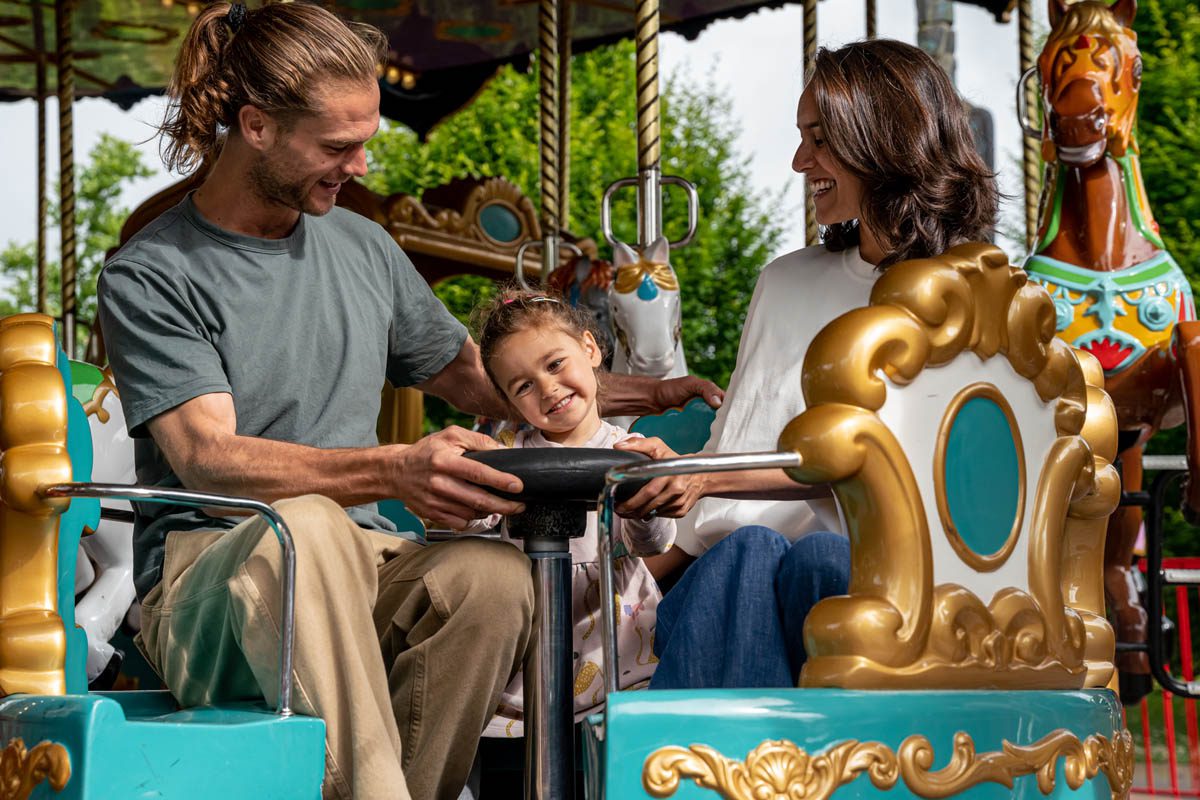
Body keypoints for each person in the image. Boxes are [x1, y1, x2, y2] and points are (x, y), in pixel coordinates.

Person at [95, 4, 718, 799]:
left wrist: (634, 407)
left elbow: (480, 378)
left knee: (493, 580)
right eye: (336, 146)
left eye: (366, 141)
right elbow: (208, 456)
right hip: (210, 582)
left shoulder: (362, 246)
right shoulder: (152, 273)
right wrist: (395, 469)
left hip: (361, 554)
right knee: (308, 523)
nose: (359, 165)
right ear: (255, 125)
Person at [615, 38, 999, 689]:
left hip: (883, 577)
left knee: (811, 558)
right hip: (727, 573)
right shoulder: (785, 281)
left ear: (882, 138)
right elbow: (730, 447)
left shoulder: (964, 295)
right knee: (750, 553)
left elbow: (904, 470)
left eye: (820, 138)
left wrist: (712, 483)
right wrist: (624, 587)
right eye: (801, 137)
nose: (800, 161)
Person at [464, 291, 675, 737]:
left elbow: (652, 542)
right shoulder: (508, 452)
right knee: (498, 723)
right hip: (534, 619)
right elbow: (469, 517)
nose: (547, 388)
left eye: (555, 364)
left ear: (590, 348)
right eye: (523, 386)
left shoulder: (628, 451)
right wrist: (465, 478)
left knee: (626, 729)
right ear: (509, 403)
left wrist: (646, 500)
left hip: (614, 628)